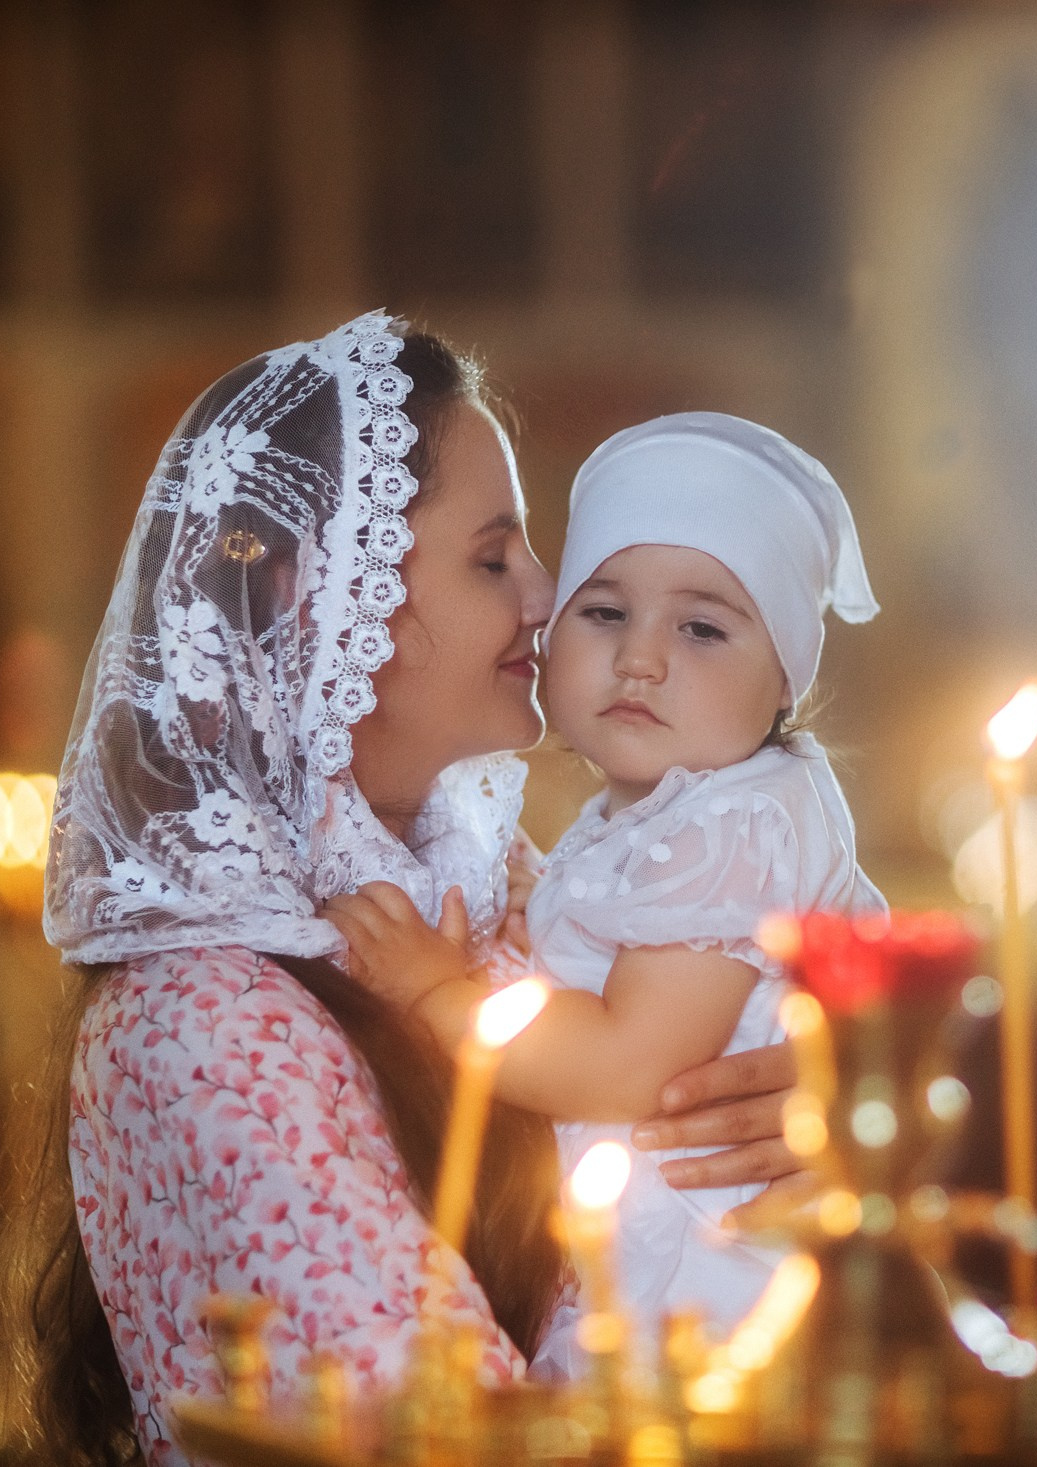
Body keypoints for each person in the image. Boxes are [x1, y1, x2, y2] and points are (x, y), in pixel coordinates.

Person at [0, 316, 801, 1467]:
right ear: (326, 607)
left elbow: (659, 1202)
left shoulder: (507, 892)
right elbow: (458, 1433)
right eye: (492, 555)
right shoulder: (199, 1019)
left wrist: (797, 1132)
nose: (548, 595)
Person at [323, 414, 884, 1375]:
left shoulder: (740, 828)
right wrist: (548, 896)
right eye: (604, 611)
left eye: (703, 628)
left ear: (783, 679)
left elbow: (630, 1061)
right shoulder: (675, 810)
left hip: (708, 1282)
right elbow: (631, 940)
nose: (641, 659)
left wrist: (436, 995)